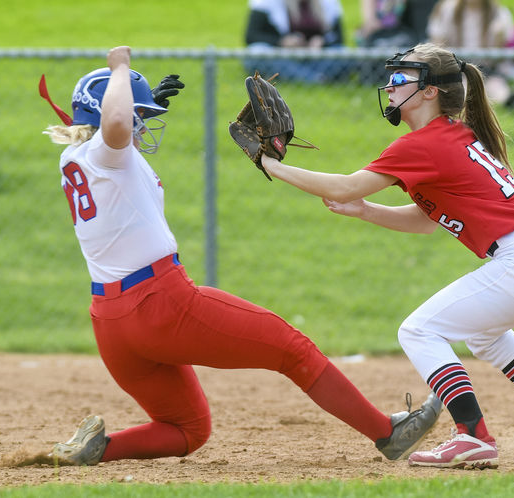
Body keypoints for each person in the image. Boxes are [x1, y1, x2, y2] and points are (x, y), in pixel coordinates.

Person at [40, 45, 441, 466]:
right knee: (293, 349)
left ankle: (96, 450)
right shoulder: (110, 152)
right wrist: (120, 66)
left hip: (110, 322)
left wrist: (139, 101)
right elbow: (118, 123)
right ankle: (387, 433)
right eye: (139, 118)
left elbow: (113, 128)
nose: (141, 127)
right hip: (159, 302)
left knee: (188, 429)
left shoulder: (77, 157)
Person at [258, 43, 514, 469]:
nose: (390, 86)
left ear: (431, 91)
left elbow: (342, 186)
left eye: (401, 79)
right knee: (483, 335)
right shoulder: (451, 135)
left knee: (418, 331)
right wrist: (365, 211)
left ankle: (472, 435)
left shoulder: (425, 142)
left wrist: (271, 164)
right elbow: (427, 219)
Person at [426, 0, 514, 108]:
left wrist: (498, 37)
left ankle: (506, 99)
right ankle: (469, 100)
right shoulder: (448, 9)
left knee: (495, 85)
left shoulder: (498, 12)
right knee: (463, 82)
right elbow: (438, 42)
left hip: (486, 67)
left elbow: (498, 55)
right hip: (457, 66)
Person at [243, 0, 348, 83]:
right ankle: (316, 79)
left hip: (317, 56)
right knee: (257, 53)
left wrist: (322, 42)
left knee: (344, 54)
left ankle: (302, 76)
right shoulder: (265, 2)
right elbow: (252, 36)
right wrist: (282, 42)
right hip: (283, 56)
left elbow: (339, 38)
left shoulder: (329, 3)